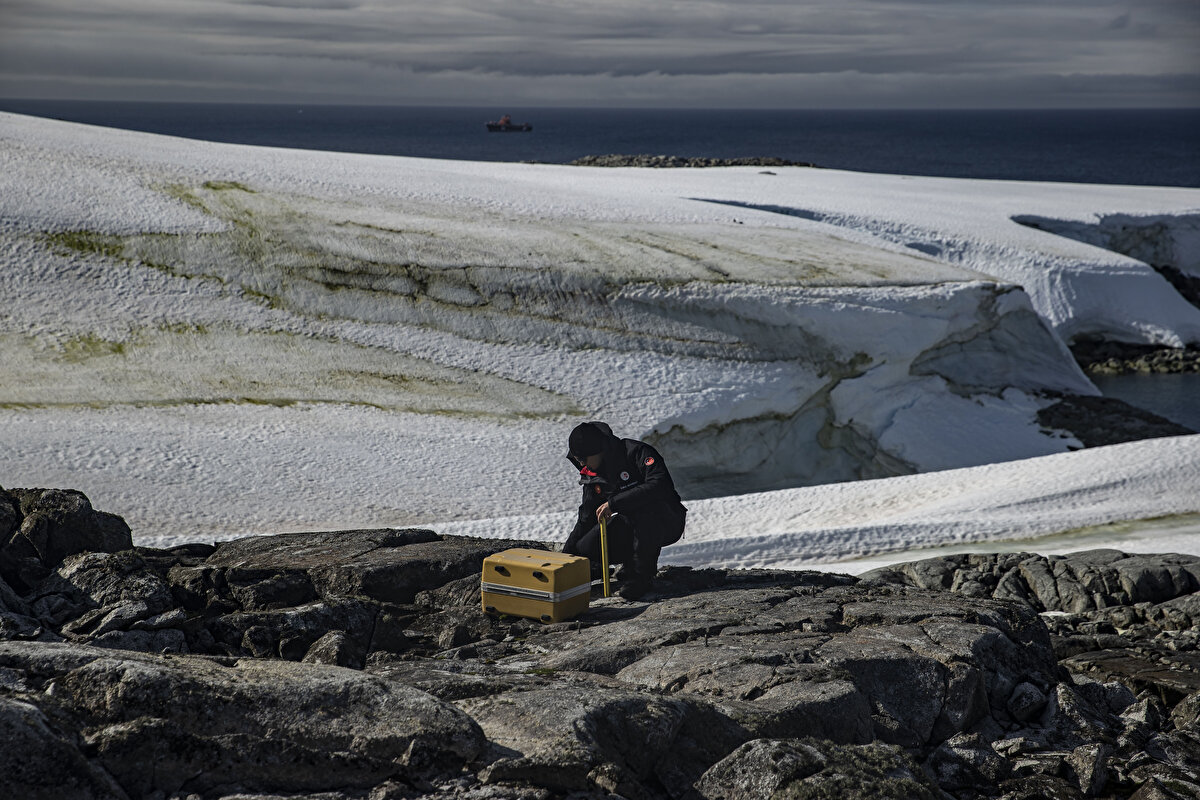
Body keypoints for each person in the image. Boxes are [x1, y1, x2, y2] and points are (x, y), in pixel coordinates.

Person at [563, 421, 687, 600]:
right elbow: (586, 517)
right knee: (586, 546)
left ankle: (641, 576)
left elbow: (660, 485)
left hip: (667, 519)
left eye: (583, 459)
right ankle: (615, 567)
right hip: (632, 522)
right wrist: (564, 560)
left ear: (599, 451)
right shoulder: (593, 473)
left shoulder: (636, 452)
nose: (581, 464)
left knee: (643, 510)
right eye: (578, 460)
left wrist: (614, 503)